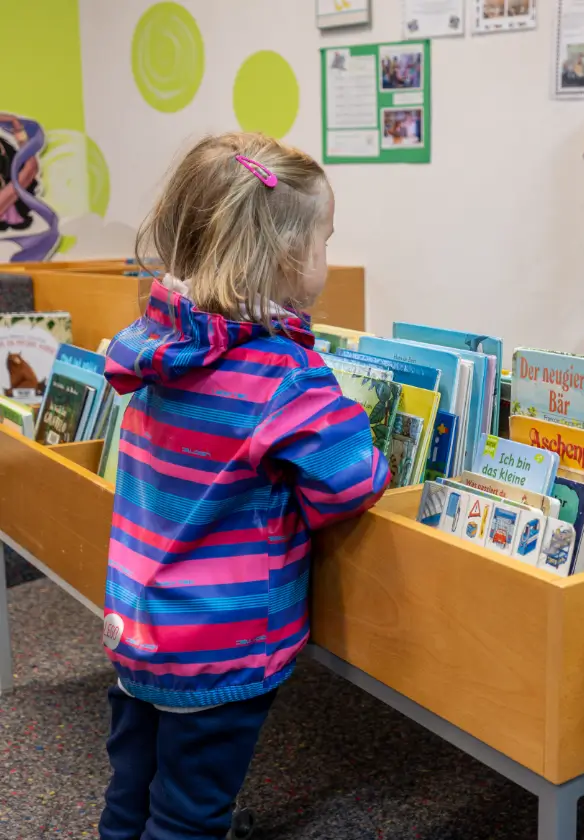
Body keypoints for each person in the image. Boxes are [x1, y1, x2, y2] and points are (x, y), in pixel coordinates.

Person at [98, 132, 391, 840]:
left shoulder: (153, 348)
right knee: (192, 810)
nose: (326, 255)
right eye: (324, 240)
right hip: (219, 640)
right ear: (291, 258)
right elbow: (351, 485)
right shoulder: (286, 377)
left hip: (138, 624)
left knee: (132, 778)